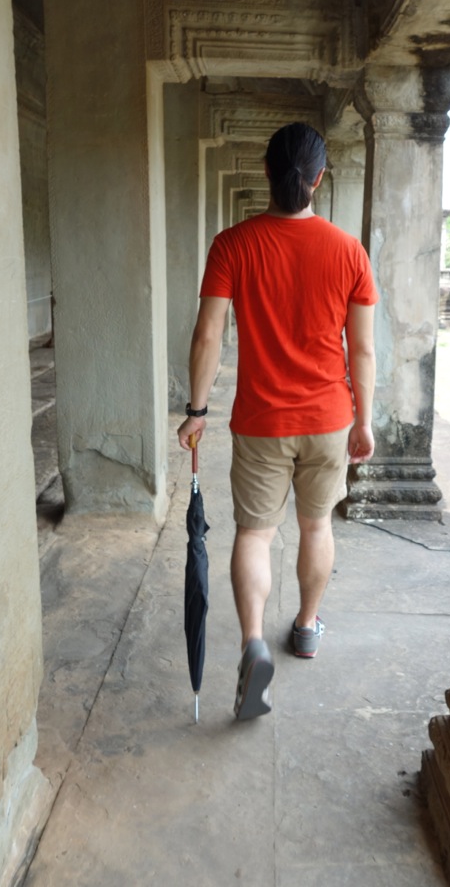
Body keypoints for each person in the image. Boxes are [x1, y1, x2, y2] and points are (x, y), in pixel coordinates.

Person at [177, 122, 378, 721]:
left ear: (267, 171)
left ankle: (253, 645)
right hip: (328, 419)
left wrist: (196, 411)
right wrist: (364, 421)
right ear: (319, 178)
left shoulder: (232, 245)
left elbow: (208, 333)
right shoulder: (349, 251)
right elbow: (363, 350)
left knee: (254, 535)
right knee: (316, 528)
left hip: (262, 420)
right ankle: (307, 626)